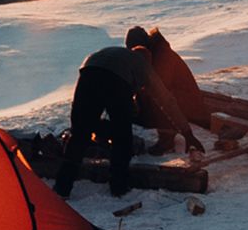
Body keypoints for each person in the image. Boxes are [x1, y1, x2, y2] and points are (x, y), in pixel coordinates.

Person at [55, 43, 205, 198]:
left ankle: (62, 187)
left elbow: (85, 104)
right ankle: (118, 186)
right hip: (115, 81)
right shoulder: (143, 65)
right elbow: (166, 100)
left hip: (88, 72)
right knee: (122, 139)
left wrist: (82, 124)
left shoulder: (113, 52)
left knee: (79, 135)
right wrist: (187, 133)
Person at [126, 26, 209, 153]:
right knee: (140, 109)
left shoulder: (162, 56)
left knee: (156, 101)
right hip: (177, 98)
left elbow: (162, 94)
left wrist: (187, 134)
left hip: (186, 101)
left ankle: (167, 139)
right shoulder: (153, 53)